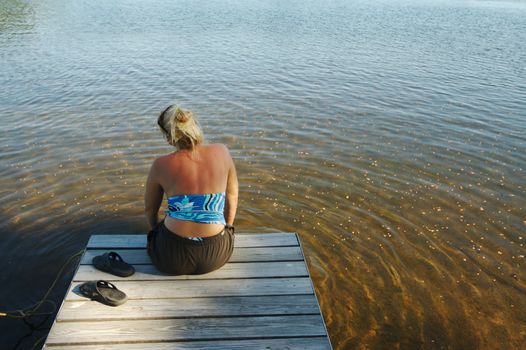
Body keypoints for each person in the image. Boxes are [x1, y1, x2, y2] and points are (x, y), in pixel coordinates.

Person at [144, 105, 238, 275]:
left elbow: (150, 210)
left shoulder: (160, 164)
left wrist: (156, 233)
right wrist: (228, 228)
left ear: (168, 137)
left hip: (171, 257)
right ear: (194, 125)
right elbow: (231, 198)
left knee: (159, 229)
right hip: (215, 254)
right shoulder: (222, 152)